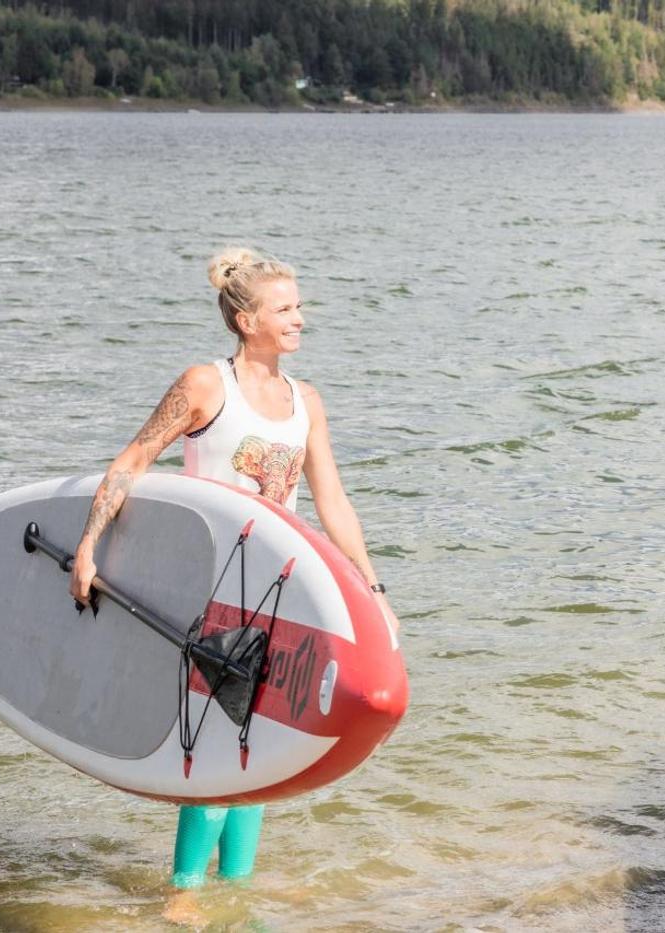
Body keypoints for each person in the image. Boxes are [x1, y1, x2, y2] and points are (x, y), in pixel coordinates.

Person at [68, 248, 390, 890]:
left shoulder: (307, 401)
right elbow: (135, 459)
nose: (301, 318)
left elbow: (332, 502)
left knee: (258, 758)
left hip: (277, 591)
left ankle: (235, 896)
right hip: (211, 591)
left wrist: (371, 588)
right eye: (286, 309)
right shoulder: (205, 385)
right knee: (216, 752)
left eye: (298, 306)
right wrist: (89, 544)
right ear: (247, 321)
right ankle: (185, 899)